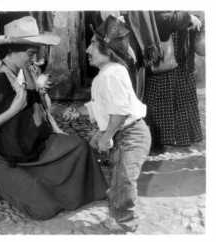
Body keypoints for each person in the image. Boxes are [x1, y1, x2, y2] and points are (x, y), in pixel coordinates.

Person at [0, 16, 108, 220]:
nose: (35, 59)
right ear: (12, 50)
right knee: (45, 210)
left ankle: (34, 180)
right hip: (1, 154)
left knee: (79, 147)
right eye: (31, 53)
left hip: (30, 143)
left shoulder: (27, 71)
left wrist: (40, 91)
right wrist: (12, 110)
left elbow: (45, 110)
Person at [85, 15, 151, 232]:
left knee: (123, 179)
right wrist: (80, 111)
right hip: (125, 132)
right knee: (117, 176)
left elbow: (120, 113)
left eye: (93, 44)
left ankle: (124, 223)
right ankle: (117, 215)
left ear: (107, 49)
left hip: (130, 134)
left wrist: (106, 138)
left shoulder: (110, 75)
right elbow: (105, 104)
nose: (88, 49)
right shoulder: (108, 72)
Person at [143, 11, 203, 149]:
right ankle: (164, 138)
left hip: (181, 52)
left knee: (182, 94)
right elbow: (160, 19)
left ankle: (181, 137)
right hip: (165, 51)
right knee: (164, 93)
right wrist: (186, 17)